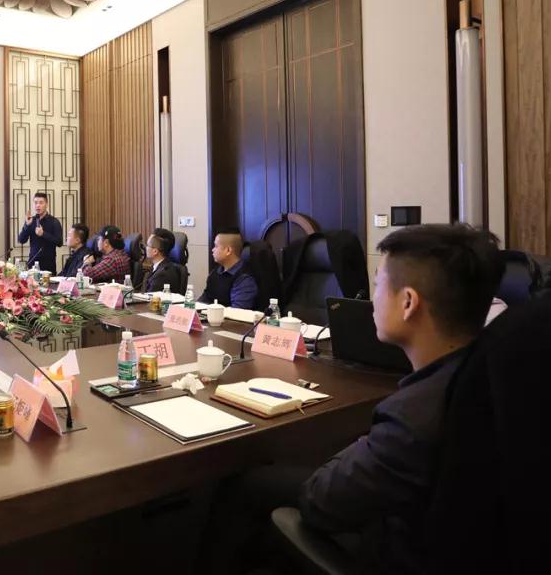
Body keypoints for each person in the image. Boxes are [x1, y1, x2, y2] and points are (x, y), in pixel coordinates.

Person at [205, 224, 504, 574]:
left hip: (396, 551)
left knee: (246, 487)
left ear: (408, 303)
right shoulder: (498, 377)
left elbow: (322, 500)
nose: (371, 298)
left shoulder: (413, 418)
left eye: (379, 284)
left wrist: (355, 447)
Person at [199, 229, 257, 309]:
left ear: (228, 250)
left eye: (216, 246)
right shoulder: (215, 272)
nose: (212, 250)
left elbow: (237, 312)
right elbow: (204, 300)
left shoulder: (245, 279)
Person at [17, 192, 63, 273]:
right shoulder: (31, 220)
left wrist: (43, 234)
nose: (38, 205)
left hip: (48, 263)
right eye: (35, 203)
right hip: (33, 261)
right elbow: (21, 240)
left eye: (41, 203)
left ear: (46, 204)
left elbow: (59, 242)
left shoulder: (54, 221)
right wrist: (27, 225)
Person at [141, 228, 184, 294]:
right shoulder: (157, 267)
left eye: (147, 245)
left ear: (155, 251)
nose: (145, 248)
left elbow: (149, 298)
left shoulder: (162, 275)